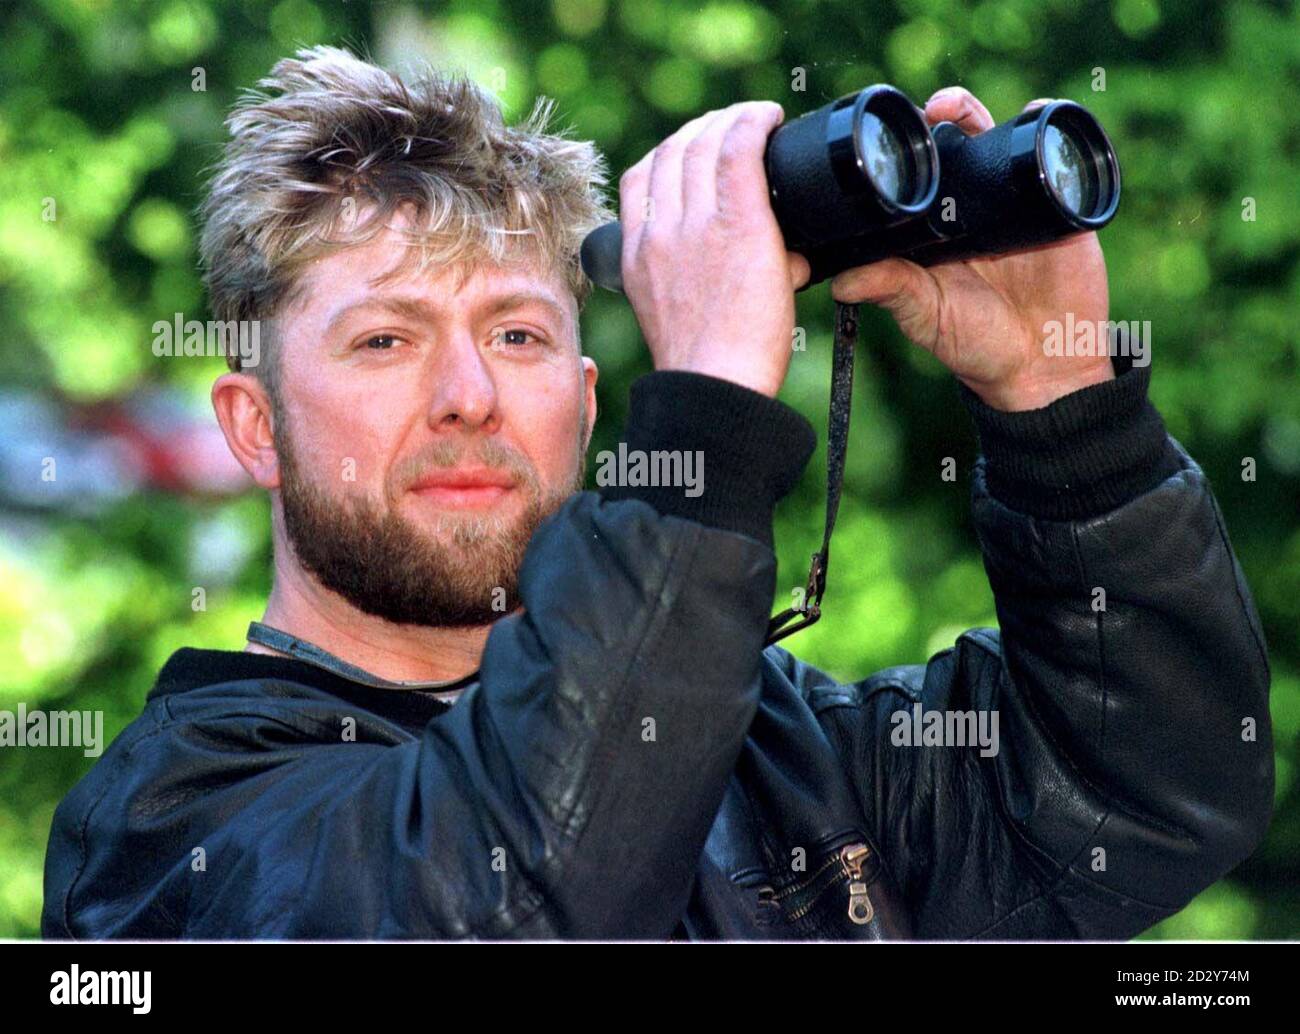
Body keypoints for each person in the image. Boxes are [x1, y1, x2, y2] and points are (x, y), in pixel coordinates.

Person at [43, 46, 1272, 940]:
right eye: (384, 341)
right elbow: (507, 899)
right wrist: (712, 413)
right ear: (254, 427)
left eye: (519, 336)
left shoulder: (775, 754)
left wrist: (1063, 409)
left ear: (583, 399)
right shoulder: (174, 826)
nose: (469, 394)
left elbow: (1151, 788)